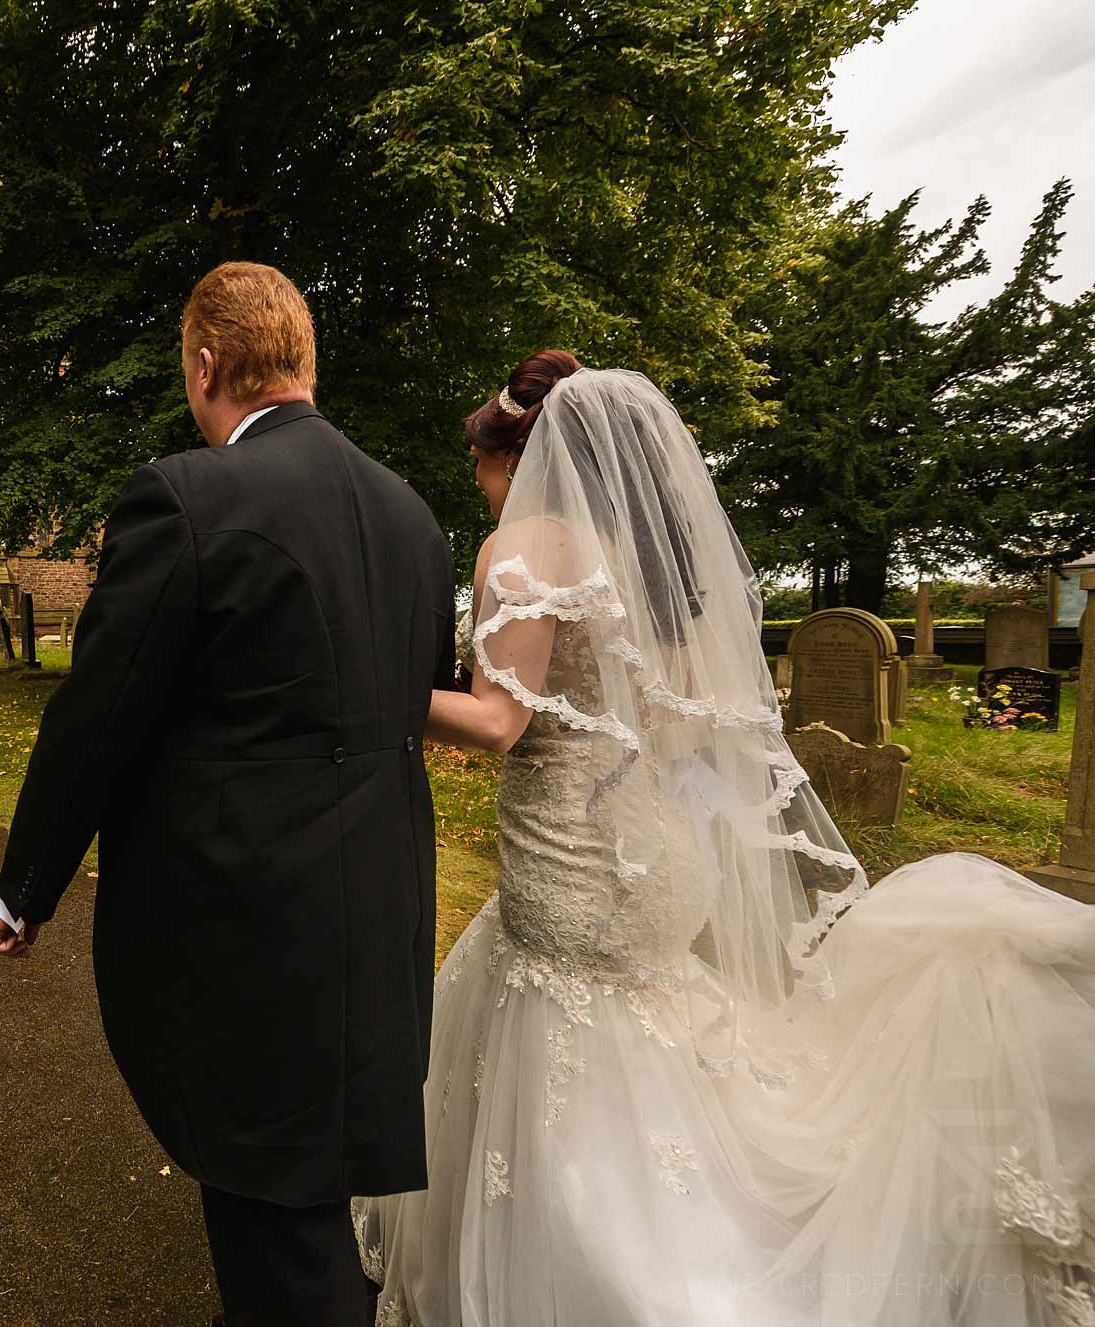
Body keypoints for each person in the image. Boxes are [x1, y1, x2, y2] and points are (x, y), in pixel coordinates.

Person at [355, 353, 1095, 1326]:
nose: (480, 485)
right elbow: (681, 727)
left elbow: (497, 721)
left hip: (571, 863)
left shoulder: (523, 547)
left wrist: (366, 691)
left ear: (517, 454)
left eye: (482, 465)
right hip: (657, 855)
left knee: (568, 1034)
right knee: (644, 1041)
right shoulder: (651, 563)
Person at [0, 261, 455, 1327]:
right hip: (380, 910)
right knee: (300, 1201)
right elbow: (412, 699)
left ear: (206, 366)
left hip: (248, 929)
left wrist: (25, 888)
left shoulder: (184, 500)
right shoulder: (413, 517)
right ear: (302, 361)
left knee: (276, 1225)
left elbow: (100, 716)